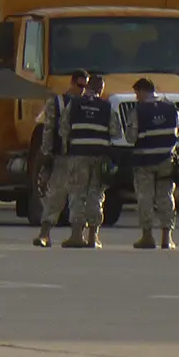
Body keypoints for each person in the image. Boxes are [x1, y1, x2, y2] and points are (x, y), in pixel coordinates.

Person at [33, 69, 88, 248]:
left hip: (81, 156)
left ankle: (77, 235)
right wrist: (46, 152)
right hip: (62, 155)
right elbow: (49, 128)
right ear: (72, 82)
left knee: (79, 197)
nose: (82, 89)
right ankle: (44, 233)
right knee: (55, 195)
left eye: (85, 86)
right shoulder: (57, 102)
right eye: (79, 85)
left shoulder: (86, 103)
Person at [60, 72, 114, 248]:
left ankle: (76, 235)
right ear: (101, 89)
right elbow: (116, 131)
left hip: (78, 155)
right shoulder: (107, 107)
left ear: (88, 86)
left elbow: (63, 128)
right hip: (99, 156)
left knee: (77, 193)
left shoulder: (75, 104)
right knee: (95, 195)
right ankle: (93, 237)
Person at [130, 77, 179, 250]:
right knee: (166, 197)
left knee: (145, 197)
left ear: (142, 91)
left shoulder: (138, 110)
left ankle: (147, 237)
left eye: (137, 93)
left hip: (144, 161)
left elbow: (131, 136)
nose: (136, 97)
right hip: (166, 159)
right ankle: (167, 238)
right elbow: (178, 131)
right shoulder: (171, 108)